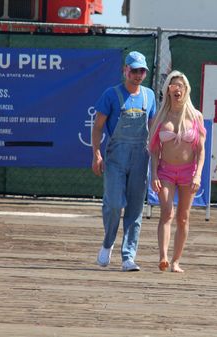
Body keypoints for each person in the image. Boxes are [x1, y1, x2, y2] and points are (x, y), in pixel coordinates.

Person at [92, 51, 156, 271]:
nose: (138, 75)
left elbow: (154, 127)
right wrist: (97, 154)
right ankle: (107, 243)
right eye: (134, 70)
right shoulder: (111, 95)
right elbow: (98, 126)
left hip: (141, 157)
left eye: (142, 71)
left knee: (136, 208)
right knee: (115, 204)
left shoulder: (149, 96)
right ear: (125, 70)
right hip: (116, 156)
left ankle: (128, 256)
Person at [149, 70, 206, 273]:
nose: (177, 89)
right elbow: (154, 149)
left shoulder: (195, 116)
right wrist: (154, 173)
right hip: (165, 171)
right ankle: (163, 257)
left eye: (181, 85)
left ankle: (176, 261)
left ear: (187, 89)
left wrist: (198, 174)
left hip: (187, 172)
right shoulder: (161, 116)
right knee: (166, 212)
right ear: (168, 90)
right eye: (173, 86)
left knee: (183, 217)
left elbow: (200, 150)